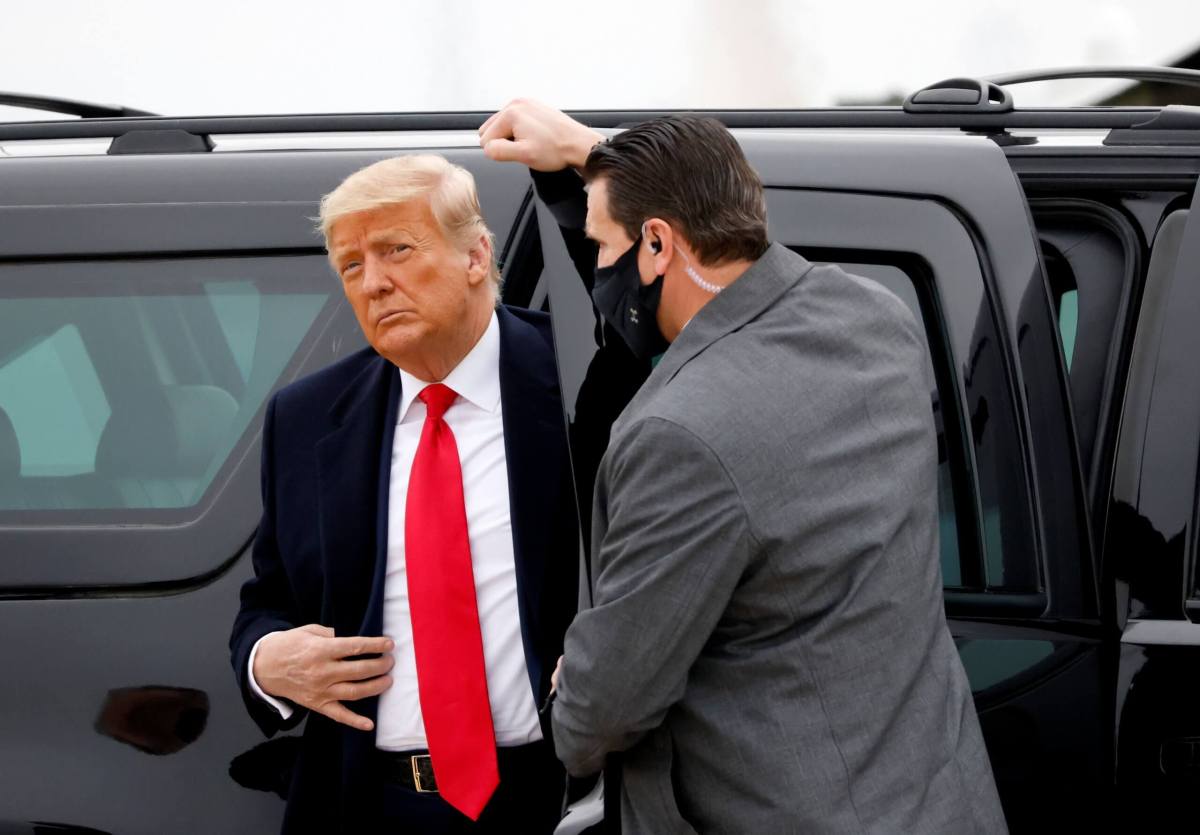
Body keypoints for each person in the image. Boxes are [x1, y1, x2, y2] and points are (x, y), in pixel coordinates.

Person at [481, 102, 1008, 833]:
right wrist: (593, 154)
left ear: (658, 244)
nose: (597, 265)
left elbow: (602, 713)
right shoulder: (875, 318)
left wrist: (577, 686)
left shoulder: (680, 436)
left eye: (601, 244)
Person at [229, 153, 578, 834]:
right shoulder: (306, 419)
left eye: (396, 250)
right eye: (352, 265)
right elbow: (266, 601)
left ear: (476, 255)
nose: (375, 283)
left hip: (553, 796)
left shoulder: (575, 383)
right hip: (375, 804)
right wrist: (266, 661)